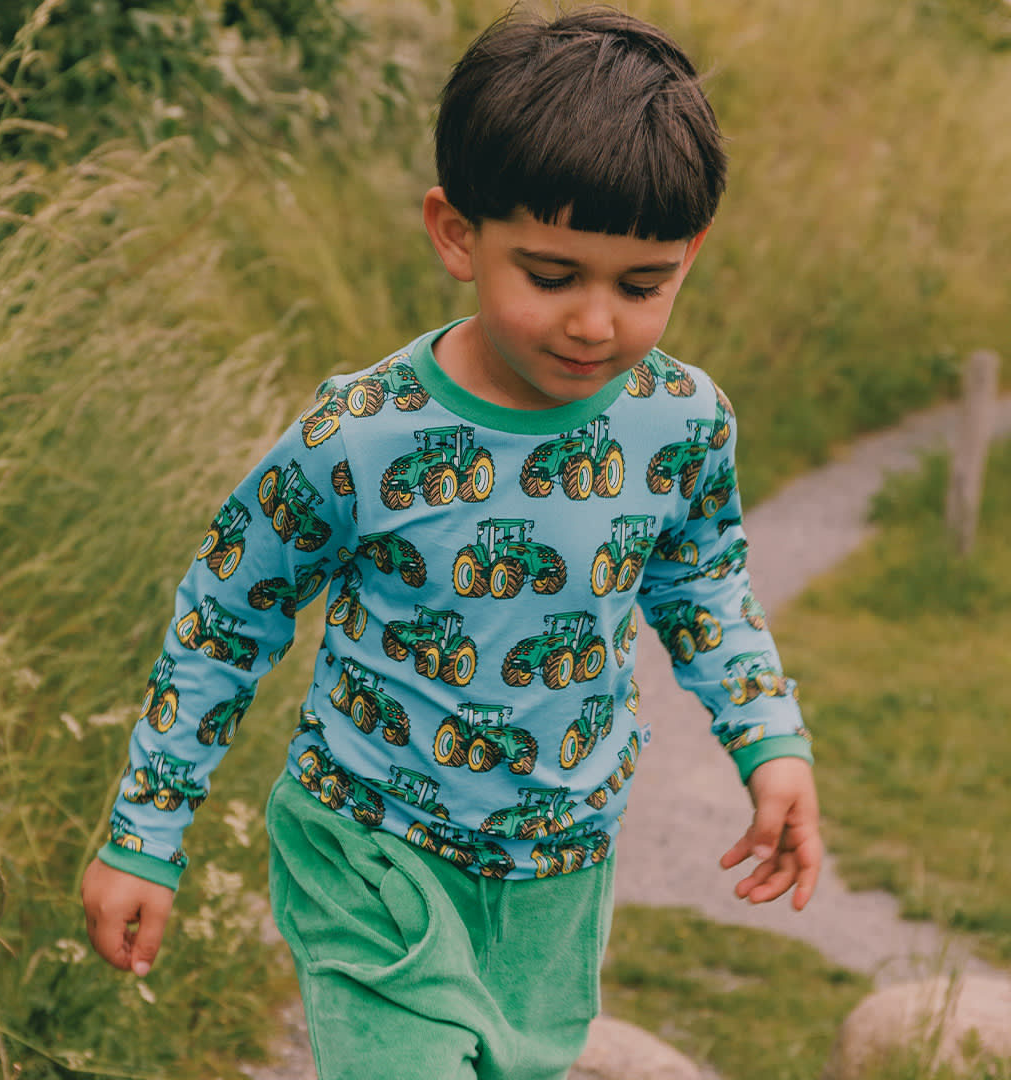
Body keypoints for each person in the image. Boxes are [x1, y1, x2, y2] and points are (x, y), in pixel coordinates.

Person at [82, 7, 822, 1078]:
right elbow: (226, 613)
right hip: (367, 846)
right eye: (553, 274)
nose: (595, 325)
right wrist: (144, 833)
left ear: (690, 256)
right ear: (456, 233)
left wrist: (771, 740)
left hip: (558, 867)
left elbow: (702, 579)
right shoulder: (360, 439)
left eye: (643, 284)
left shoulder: (681, 421)